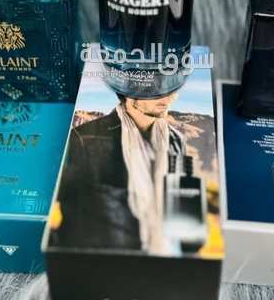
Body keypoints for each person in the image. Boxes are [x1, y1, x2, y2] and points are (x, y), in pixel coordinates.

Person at [59, 91, 184, 254]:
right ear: (130, 92)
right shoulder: (84, 138)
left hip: (163, 254)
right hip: (102, 258)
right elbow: (66, 205)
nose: (169, 97)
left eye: (172, 88)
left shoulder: (176, 140)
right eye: (156, 90)